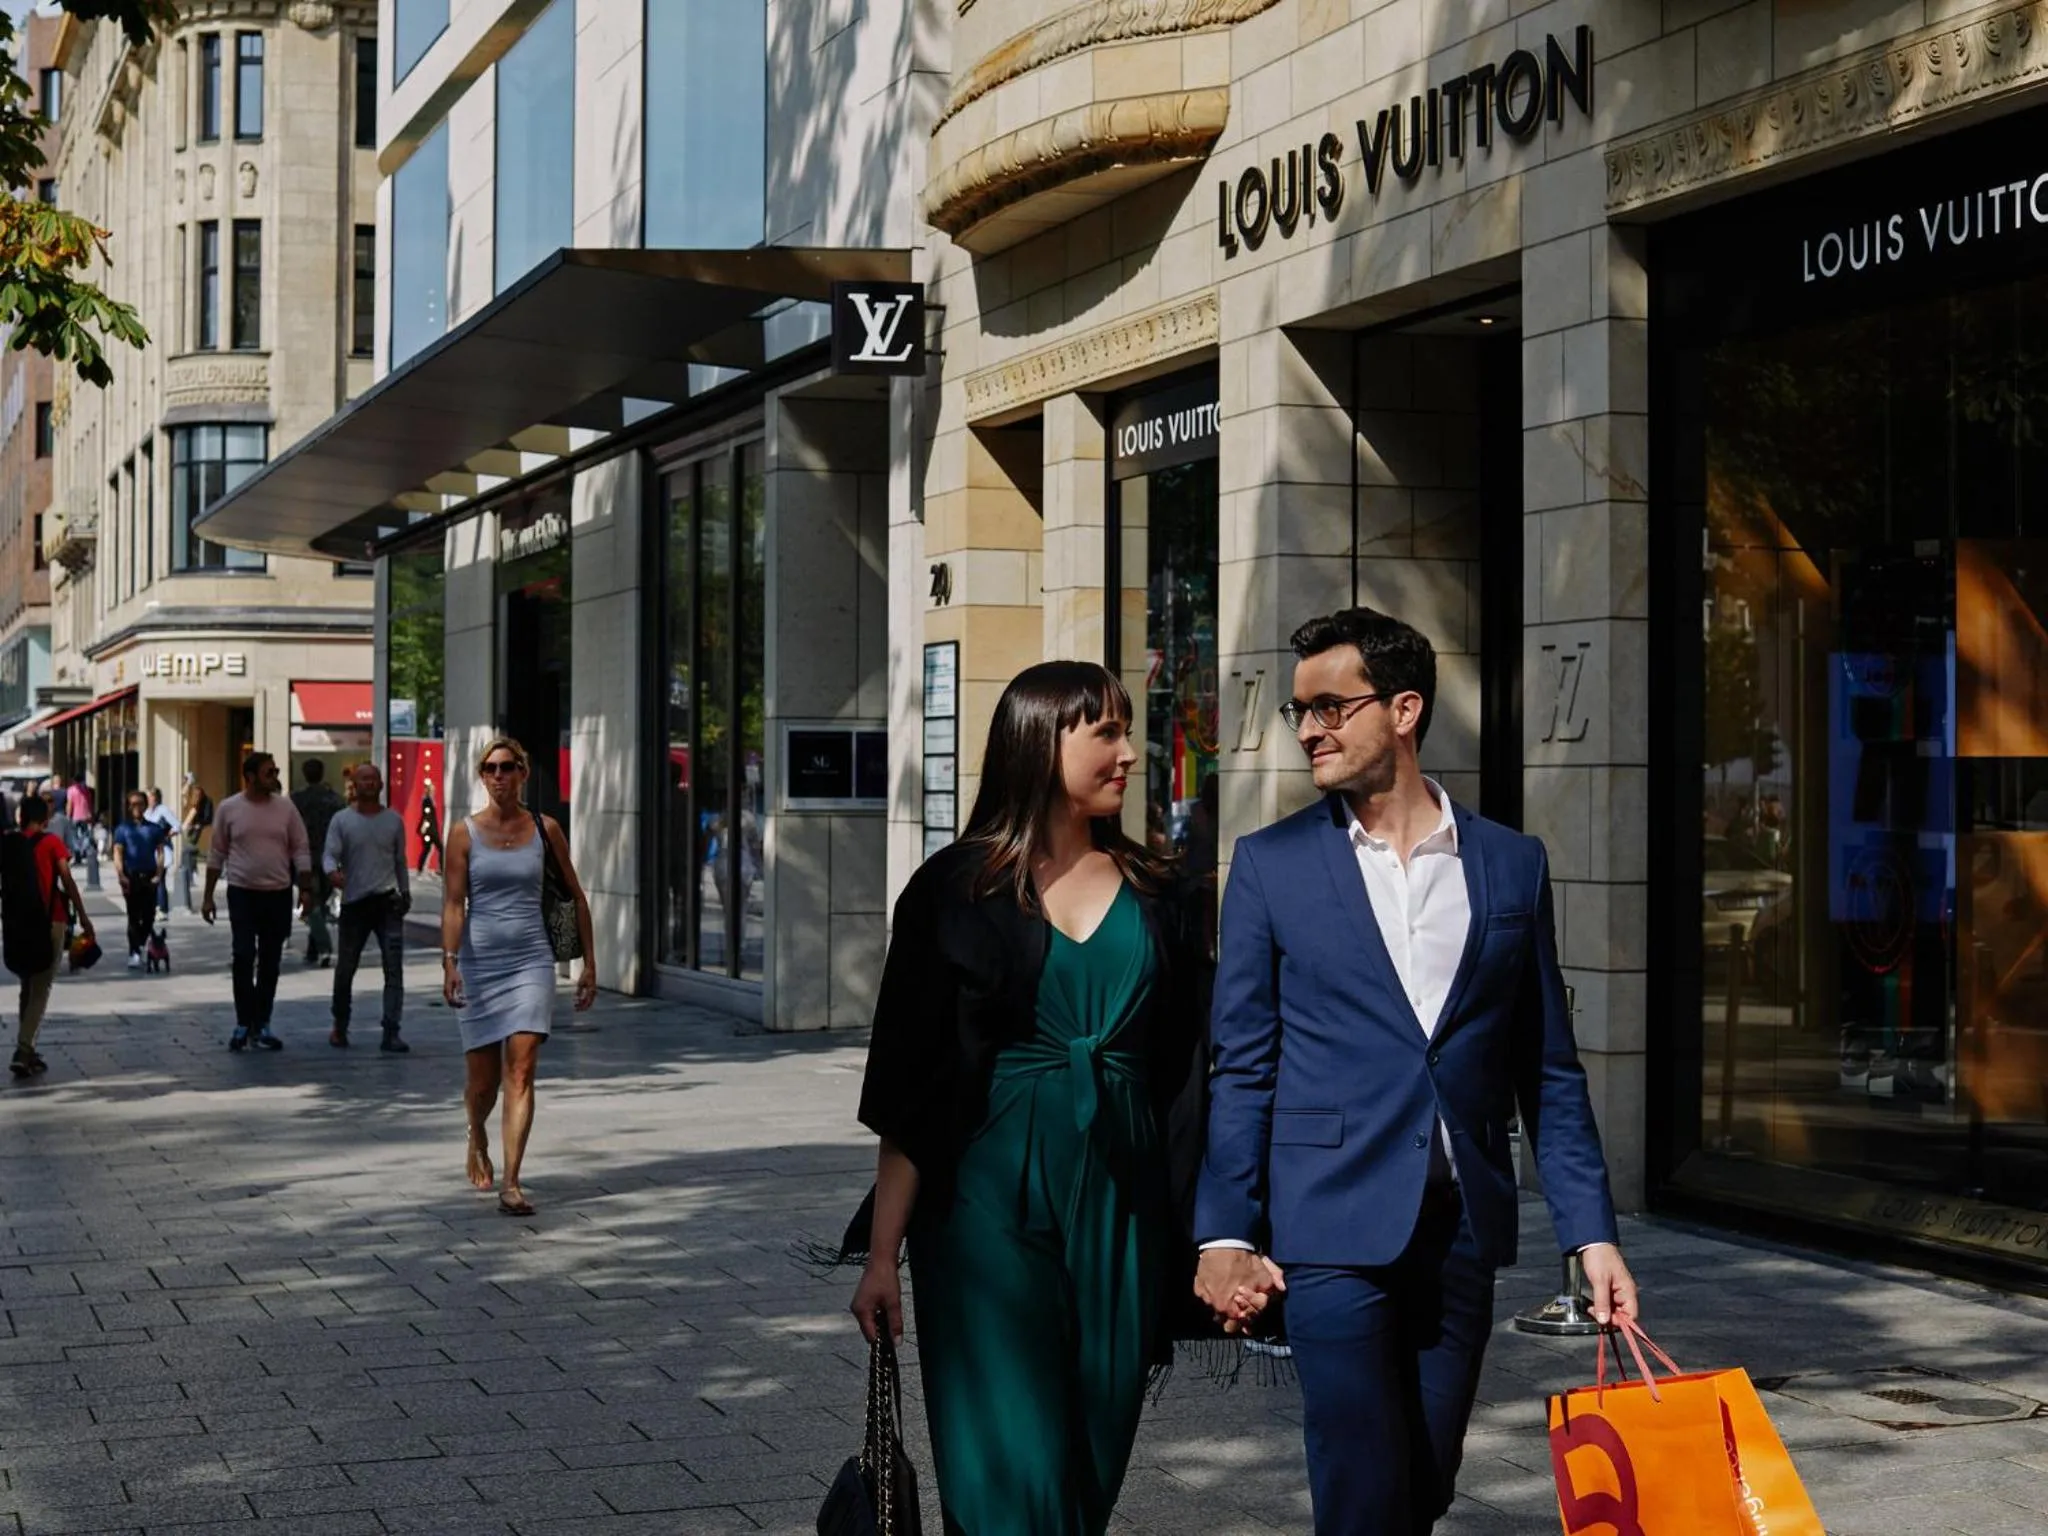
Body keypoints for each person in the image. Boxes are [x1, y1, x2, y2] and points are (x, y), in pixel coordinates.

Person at [1193, 607, 1638, 1536]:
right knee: (1360, 1488)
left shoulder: (1512, 865)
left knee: (1425, 1483)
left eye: (1331, 707)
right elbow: (1242, 1063)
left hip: (1461, 1229)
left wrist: (1590, 1233)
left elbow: (1547, 1068)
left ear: (1403, 710)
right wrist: (1225, 1230)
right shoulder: (1271, 868)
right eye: (1299, 710)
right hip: (1330, 1226)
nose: (1310, 728)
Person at [847, 661, 1209, 1535]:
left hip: (1123, 1206)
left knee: (1091, 1451)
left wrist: (1213, 1234)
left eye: (1129, 731)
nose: (1131, 752)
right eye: (1108, 733)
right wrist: (880, 1253)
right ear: (1041, 742)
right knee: (1011, 1470)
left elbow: (1192, 1076)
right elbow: (910, 1084)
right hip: (983, 1205)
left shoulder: (1165, 895)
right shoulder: (953, 891)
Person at [441, 737, 595, 1217]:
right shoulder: (463, 834)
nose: (499, 775)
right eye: (490, 768)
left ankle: (512, 1181)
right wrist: (449, 961)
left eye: (508, 767)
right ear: (482, 775)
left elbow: (576, 896)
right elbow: (452, 903)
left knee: (522, 1070)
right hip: (481, 964)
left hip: (532, 959)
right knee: (483, 1083)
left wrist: (589, 963)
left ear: (523, 773)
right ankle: (476, 1132)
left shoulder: (545, 829)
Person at [202, 753, 314, 1051]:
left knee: (270, 960)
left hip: (277, 893)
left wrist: (306, 889)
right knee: (242, 955)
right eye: (269, 772)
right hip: (242, 892)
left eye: (276, 771)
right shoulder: (229, 808)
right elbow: (217, 854)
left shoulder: (286, 808)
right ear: (249, 776)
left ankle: (262, 1022)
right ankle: (243, 1022)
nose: (275, 776)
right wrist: (207, 897)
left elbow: (300, 848)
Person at [4, 795, 93, 1079]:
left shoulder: (10, 844)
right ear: (44, 818)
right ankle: (23, 1047)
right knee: (41, 987)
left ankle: (28, 1050)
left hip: (18, 923)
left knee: (27, 986)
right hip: (50, 920)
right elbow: (66, 880)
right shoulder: (52, 843)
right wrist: (84, 917)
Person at [325, 763, 412, 1052]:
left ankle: (391, 1029)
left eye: (374, 779)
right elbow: (330, 854)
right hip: (355, 902)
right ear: (355, 785)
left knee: (394, 969)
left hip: (387, 900)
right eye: (364, 779)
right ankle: (340, 1024)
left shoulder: (393, 821)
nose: (370, 784)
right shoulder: (342, 821)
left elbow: (400, 860)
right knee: (346, 968)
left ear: (382, 785)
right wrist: (332, 873)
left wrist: (406, 891)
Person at [291, 761, 345, 968]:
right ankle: (314, 950)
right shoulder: (335, 800)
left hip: (305, 859)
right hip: (329, 858)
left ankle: (323, 947)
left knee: (312, 904)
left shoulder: (296, 801)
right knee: (318, 902)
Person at [112, 791, 169, 969]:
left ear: (145, 806)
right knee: (133, 916)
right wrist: (121, 875)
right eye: (133, 804)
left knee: (150, 915)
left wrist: (159, 874)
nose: (136, 807)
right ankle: (134, 951)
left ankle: (141, 943)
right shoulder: (122, 829)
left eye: (140, 804)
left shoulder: (154, 829)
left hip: (150, 875)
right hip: (131, 876)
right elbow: (118, 853)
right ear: (128, 807)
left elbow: (160, 853)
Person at [180, 774, 213, 913]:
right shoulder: (191, 795)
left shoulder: (200, 797)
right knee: (188, 848)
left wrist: (193, 825)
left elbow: (199, 812)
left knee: (189, 847)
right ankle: (192, 868)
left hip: (195, 826)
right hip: (192, 825)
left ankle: (193, 867)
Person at [144, 788, 179, 916]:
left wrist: (166, 836)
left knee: (160, 879)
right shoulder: (146, 812)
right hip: (149, 851)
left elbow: (177, 825)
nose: (148, 799)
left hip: (162, 850)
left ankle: (163, 909)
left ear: (156, 797)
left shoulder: (163, 811)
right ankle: (153, 906)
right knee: (150, 880)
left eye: (150, 797)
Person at [415, 782, 441, 874]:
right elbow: (426, 815)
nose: (434, 791)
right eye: (432, 790)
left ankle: (420, 868)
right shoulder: (427, 801)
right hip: (430, 830)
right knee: (440, 848)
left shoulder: (429, 800)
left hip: (430, 829)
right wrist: (424, 827)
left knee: (427, 848)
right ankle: (440, 869)